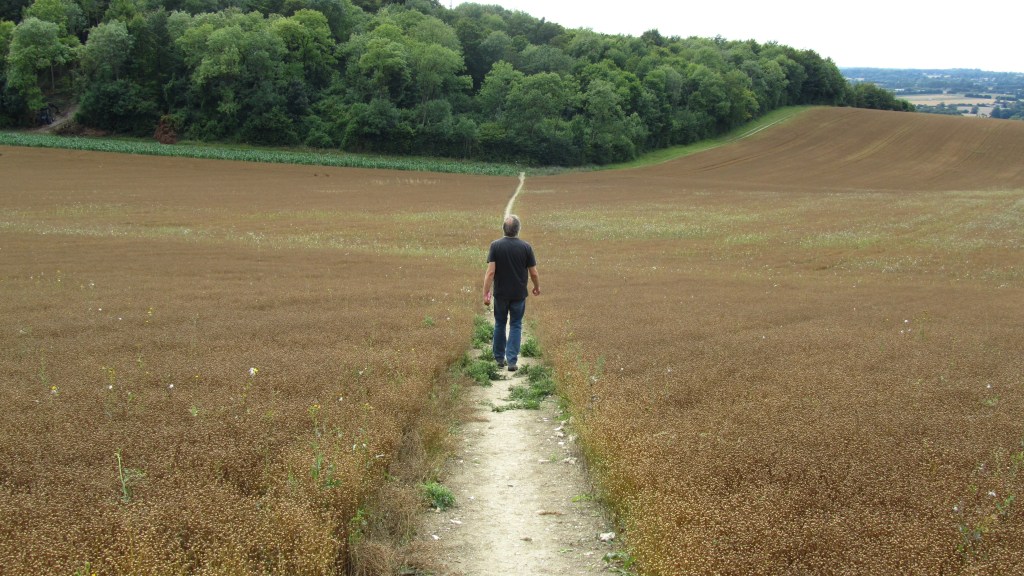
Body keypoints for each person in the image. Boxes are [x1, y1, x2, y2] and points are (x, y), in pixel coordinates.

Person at [483, 214, 540, 371]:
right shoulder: (526, 247)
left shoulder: (495, 246)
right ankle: (512, 361)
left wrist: (486, 293)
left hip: (500, 294)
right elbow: (534, 273)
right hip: (518, 294)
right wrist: (536, 287)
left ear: (504, 229)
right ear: (518, 229)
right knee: (516, 324)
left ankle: (499, 359)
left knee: (500, 323)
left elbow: (490, 273)